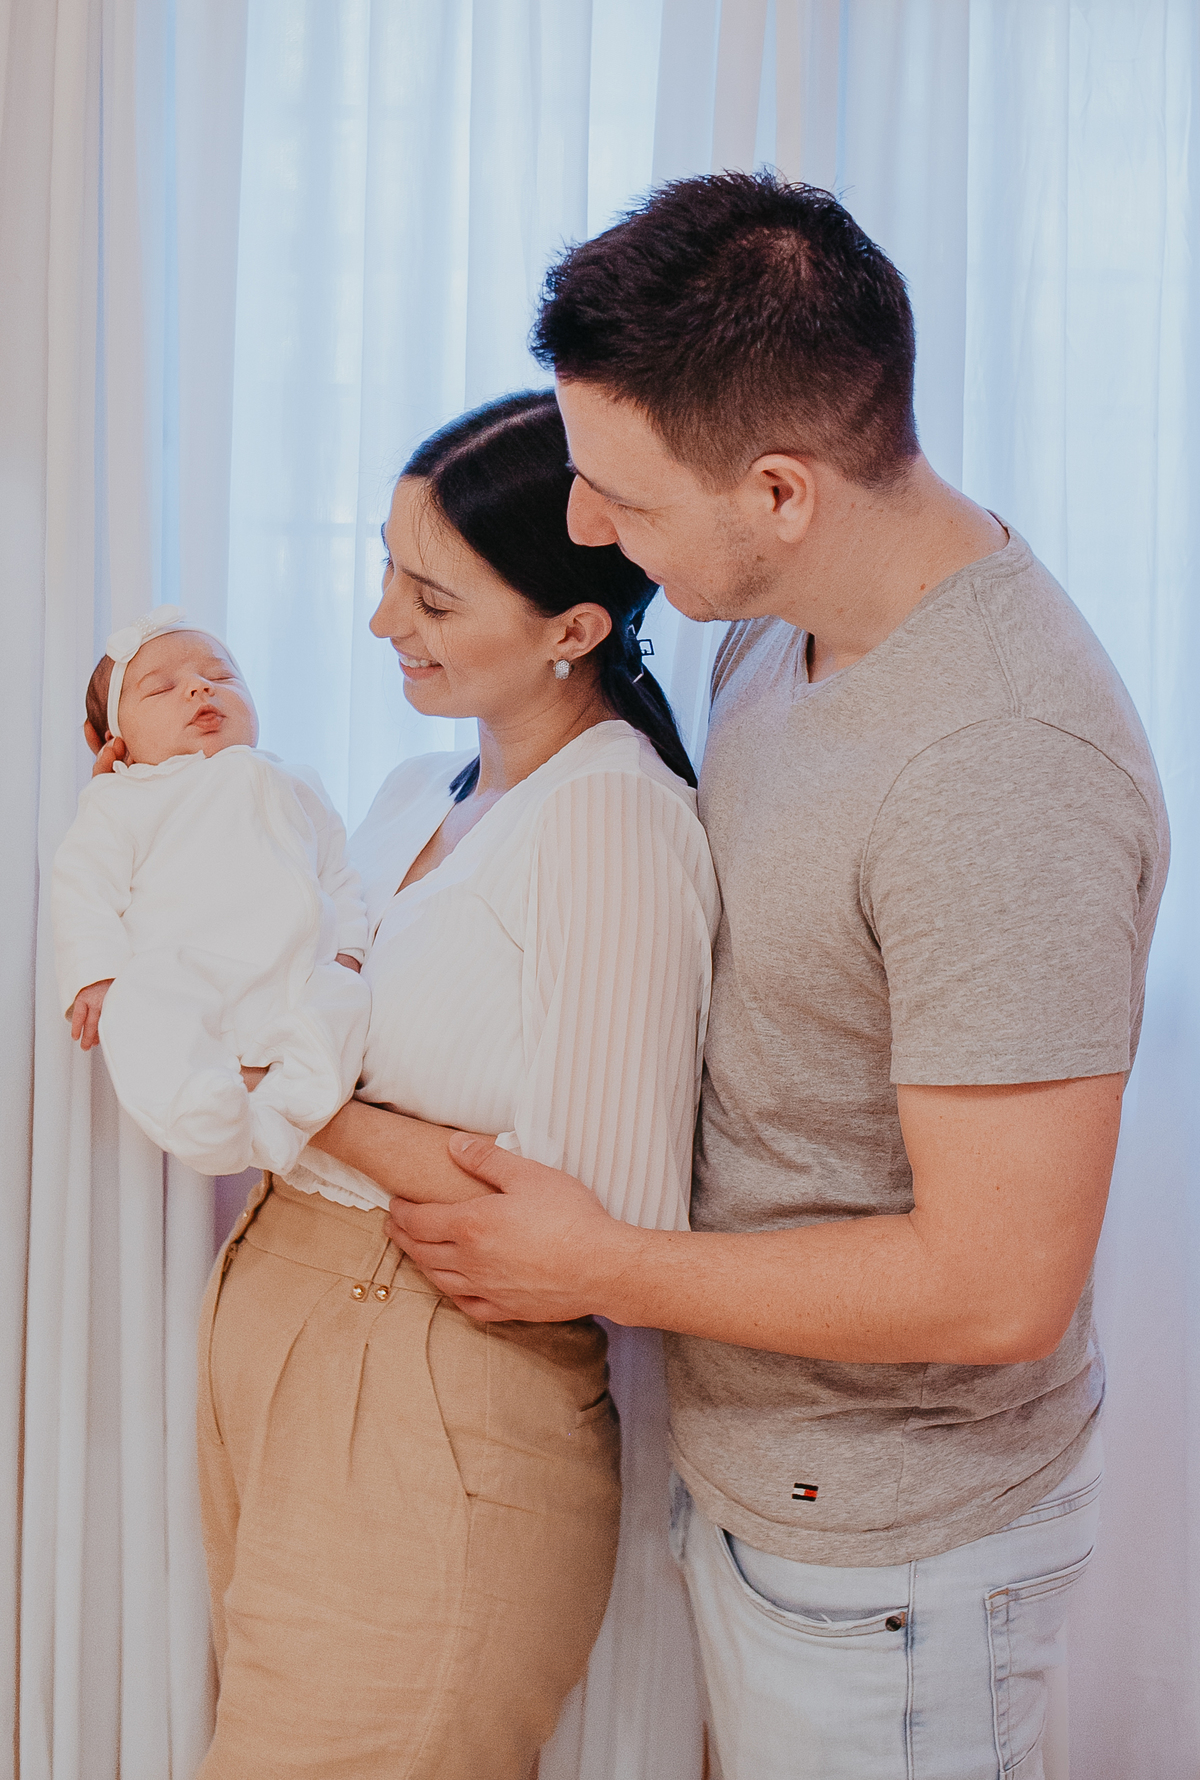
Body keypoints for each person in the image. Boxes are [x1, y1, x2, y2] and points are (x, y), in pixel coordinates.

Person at [385, 173, 1171, 1779]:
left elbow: (997, 1286)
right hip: (764, 1480)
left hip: (891, 1560)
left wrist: (599, 1262)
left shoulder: (997, 771)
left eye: (622, 493)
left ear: (781, 491)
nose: (586, 523)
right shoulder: (776, 625)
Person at [195, 391, 720, 1778]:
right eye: (384, 569)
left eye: (430, 595)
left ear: (575, 629)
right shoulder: (419, 793)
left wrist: (303, 1100)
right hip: (300, 1329)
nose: (382, 624)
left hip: (428, 1372)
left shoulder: (612, 820)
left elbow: (594, 1223)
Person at [52, 606, 369, 1175]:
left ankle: (283, 1118)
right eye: (162, 689)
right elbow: (82, 886)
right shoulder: (122, 799)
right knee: (140, 1008)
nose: (200, 687)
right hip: (186, 968)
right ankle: (199, 1117)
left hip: (295, 971)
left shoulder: (294, 781)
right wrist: (95, 973)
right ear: (112, 739)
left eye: (221, 677)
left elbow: (338, 873)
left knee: (344, 1007)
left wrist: (347, 951)